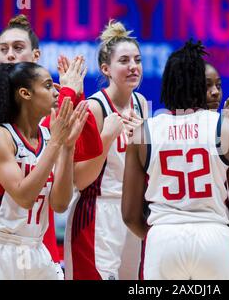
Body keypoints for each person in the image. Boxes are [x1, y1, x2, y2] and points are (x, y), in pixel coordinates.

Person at [122, 40, 229, 280]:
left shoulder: (144, 133)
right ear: (199, 85)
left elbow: (130, 215)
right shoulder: (228, 130)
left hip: (163, 237)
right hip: (215, 238)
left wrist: (158, 236)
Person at [0, 62, 88, 279]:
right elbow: (24, 196)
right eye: (48, 85)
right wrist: (57, 144)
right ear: (25, 93)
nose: (56, 91)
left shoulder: (51, 136)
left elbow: (60, 204)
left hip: (35, 248)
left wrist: (68, 147)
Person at [64, 19, 148, 280]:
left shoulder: (141, 102)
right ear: (106, 69)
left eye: (137, 59)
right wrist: (106, 138)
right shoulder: (94, 108)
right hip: (97, 214)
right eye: (124, 61)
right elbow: (79, 179)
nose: (133, 67)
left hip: (132, 212)